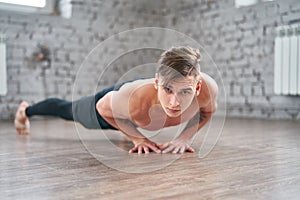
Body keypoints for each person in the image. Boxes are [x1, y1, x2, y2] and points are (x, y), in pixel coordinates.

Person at [14, 46, 218, 154]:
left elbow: (207, 112)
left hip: (132, 106)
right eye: (168, 90)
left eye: (185, 92)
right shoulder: (132, 99)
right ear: (157, 82)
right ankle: (26, 110)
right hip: (114, 104)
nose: (175, 103)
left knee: (132, 114)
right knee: (67, 110)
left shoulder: (207, 90)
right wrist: (138, 138)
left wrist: (185, 137)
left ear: (197, 87)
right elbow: (102, 108)